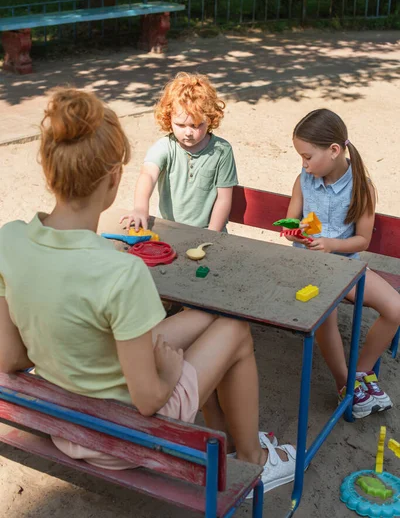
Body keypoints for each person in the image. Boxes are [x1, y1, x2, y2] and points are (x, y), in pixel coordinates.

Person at [0, 88, 296, 496]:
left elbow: (10, 357)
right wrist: (171, 373)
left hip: (63, 420)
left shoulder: (9, 241)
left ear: (49, 172)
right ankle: (252, 460)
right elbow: (147, 401)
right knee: (236, 331)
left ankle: (225, 433)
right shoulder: (122, 272)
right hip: (119, 439)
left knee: (207, 316)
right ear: (113, 178)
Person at [285, 108, 400, 419]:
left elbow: (361, 240)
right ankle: (343, 385)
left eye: (308, 157)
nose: (304, 164)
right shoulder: (304, 180)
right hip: (308, 266)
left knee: (395, 307)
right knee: (327, 311)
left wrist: (332, 244)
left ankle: (358, 376)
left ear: (334, 150)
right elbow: (292, 220)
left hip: (347, 264)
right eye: (302, 158)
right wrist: (291, 230)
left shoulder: (361, 186)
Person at [121, 72, 238, 232]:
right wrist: (140, 208)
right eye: (181, 125)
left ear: (210, 119)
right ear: (169, 119)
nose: (188, 132)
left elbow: (224, 198)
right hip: (169, 229)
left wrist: (212, 233)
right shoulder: (165, 146)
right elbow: (147, 175)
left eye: (196, 125)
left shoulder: (222, 151)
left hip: (209, 231)